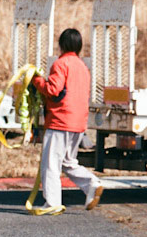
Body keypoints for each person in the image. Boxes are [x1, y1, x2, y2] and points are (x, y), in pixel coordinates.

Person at [29, 28, 103, 215]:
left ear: (61, 45)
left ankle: (52, 202)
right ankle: (91, 184)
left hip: (59, 121)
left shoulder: (60, 64)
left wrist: (37, 81)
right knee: (68, 161)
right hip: (78, 122)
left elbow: (53, 90)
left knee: (51, 163)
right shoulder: (82, 67)